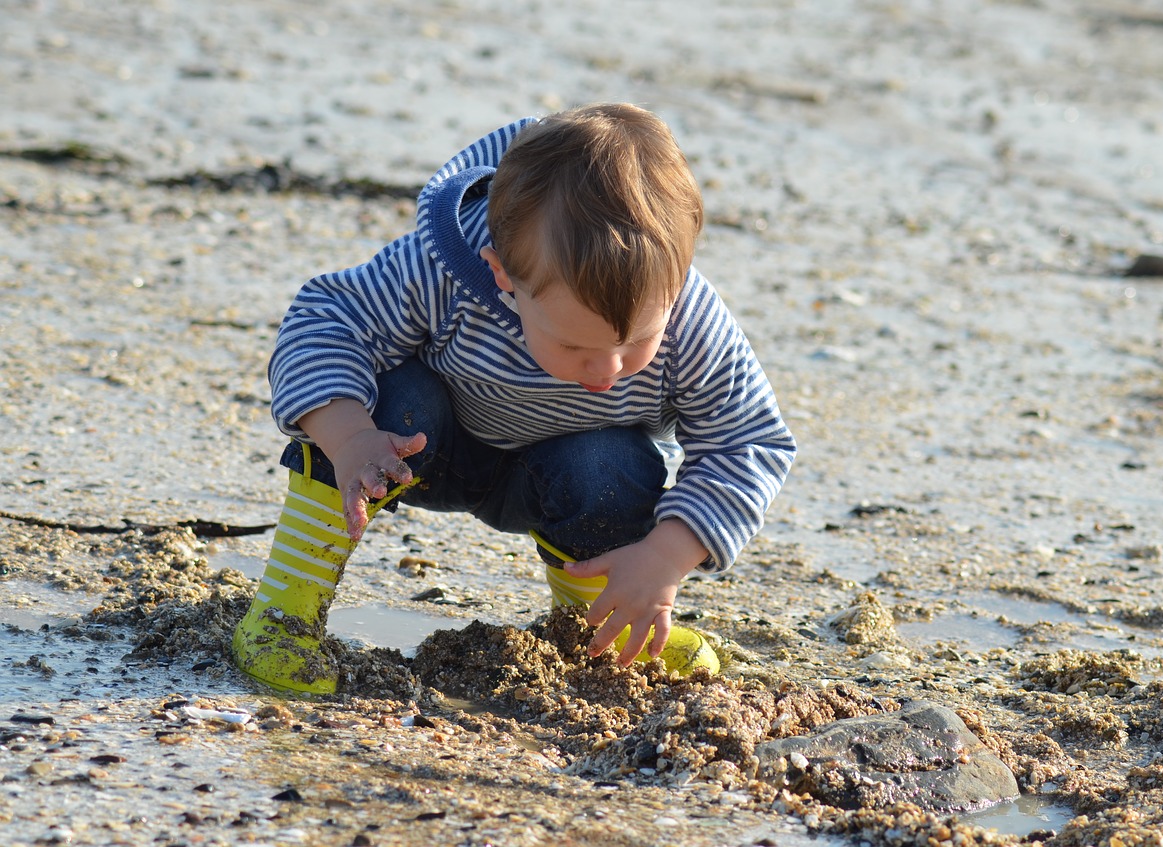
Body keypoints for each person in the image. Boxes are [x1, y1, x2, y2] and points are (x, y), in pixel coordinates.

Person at [231, 103, 796, 695]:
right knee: (391, 396)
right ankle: (284, 613)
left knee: (616, 464)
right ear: (503, 276)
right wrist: (347, 437)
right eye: (574, 342)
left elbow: (748, 441)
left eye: (635, 341)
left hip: (563, 470)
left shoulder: (692, 323)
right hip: (414, 446)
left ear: (676, 283)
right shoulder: (443, 270)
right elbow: (327, 319)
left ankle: (598, 628)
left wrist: (666, 555)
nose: (607, 370)